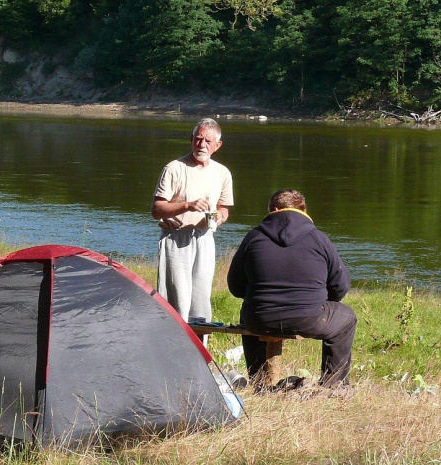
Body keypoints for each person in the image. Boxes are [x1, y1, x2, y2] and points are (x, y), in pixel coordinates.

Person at [227, 189, 357, 390]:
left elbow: (235, 287)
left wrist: (262, 297)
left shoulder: (253, 237)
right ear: (303, 210)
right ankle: (334, 384)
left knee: (248, 311)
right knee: (346, 317)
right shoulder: (318, 238)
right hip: (309, 317)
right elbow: (340, 286)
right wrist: (317, 301)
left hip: (260, 318)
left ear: (272, 209)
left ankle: (259, 381)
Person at [151, 118, 234, 326]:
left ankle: (200, 353)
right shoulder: (174, 168)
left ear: (218, 145)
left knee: (201, 301)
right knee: (176, 301)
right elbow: (157, 210)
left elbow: (224, 208)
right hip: (176, 238)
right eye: (198, 139)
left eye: (208, 141)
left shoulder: (222, 173)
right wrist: (187, 205)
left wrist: (220, 217)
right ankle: (172, 346)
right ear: (191, 139)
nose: (202, 145)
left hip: (205, 239)